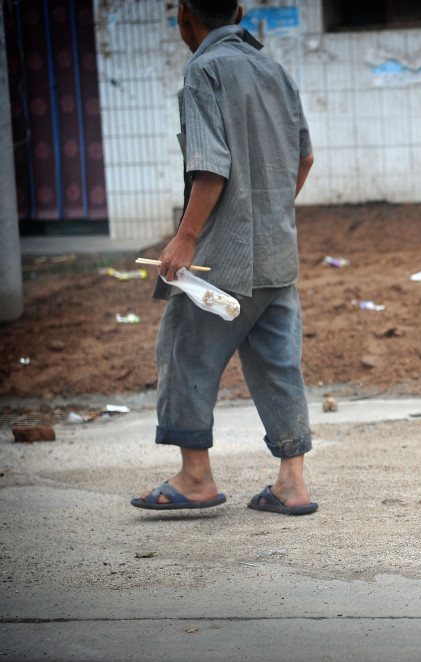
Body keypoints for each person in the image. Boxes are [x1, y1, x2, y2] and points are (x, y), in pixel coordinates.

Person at [131, 0, 317, 515]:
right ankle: (293, 484)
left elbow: (210, 168)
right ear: (236, 12)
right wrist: (271, 213)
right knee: (278, 364)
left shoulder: (203, 70)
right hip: (278, 255)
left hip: (222, 259)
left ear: (183, 18)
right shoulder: (274, 69)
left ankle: (195, 478)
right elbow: (304, 157)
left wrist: (186, 238)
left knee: (184, 350)